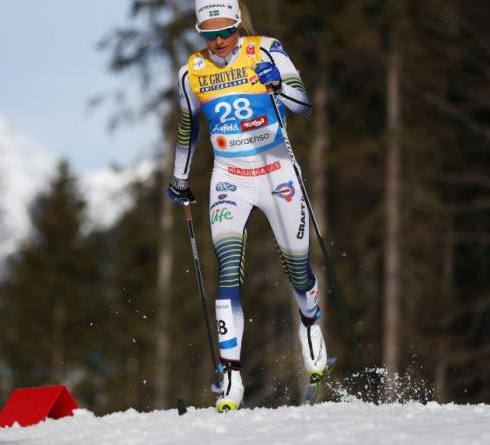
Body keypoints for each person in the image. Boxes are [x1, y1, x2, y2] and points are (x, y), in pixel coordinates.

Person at [167, 0, 328, 411]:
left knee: (297, 267)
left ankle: (310, 321)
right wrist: (179, 177)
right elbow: (188, 128)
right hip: (230, 178)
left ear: (238, 24)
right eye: (209, 34)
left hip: (277, 172)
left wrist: (278, 85)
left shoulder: (268, 49)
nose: (219, 41)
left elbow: (303, 106)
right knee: (227, 266)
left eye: (225, 31)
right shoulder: (192, 72)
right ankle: (232, 376)